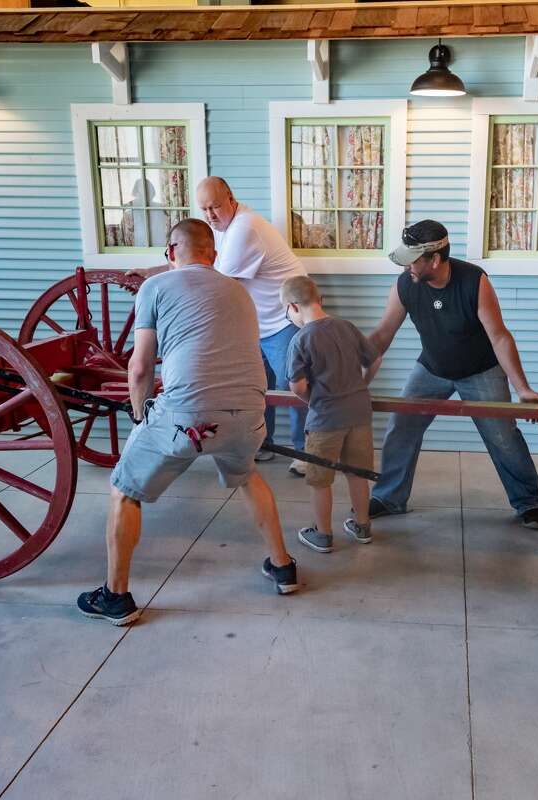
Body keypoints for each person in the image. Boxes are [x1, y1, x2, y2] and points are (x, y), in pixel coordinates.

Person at [78, 219, 299, 625]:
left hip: (187, 417)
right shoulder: (239, 291)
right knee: (247, 474)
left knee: (123, 490)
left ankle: (114, 596)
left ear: (169, 253)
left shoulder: (155, 287)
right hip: (251, 415)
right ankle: (282, 566)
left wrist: (141, 414)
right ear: (213, 256)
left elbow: (140, 367)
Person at [366, 220, 538, 529]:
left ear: (435, 260)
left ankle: (530, 501)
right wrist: (356, 381)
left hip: (481, 370)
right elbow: (383, 334)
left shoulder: (474, 282)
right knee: (401, 426)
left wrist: (523, 388)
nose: (407, 267)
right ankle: (389, 497)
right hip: (432, 368)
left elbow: (499, 337)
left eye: (413, 260)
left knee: (502, 436)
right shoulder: (405, 285)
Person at [130, 177, 309, 476]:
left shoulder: (244, 228)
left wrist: (160, 283)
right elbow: (198, 262)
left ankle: (305, 452)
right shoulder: (224, 229)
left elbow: (211, 280)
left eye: (215, 206)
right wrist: (153, 271)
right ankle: (262, 444)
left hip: (283, 319)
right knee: (257, 388)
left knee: (293, 387)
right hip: (257, 323)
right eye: (204, 209)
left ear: (230, 198)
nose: (211, 215)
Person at [280, 275, 378, 553]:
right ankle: (362, 526)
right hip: (359, 414)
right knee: (358, 473)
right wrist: (363, 385)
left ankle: (322, 534)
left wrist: (312, 400)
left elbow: (296, 385)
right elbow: (375, 358)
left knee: (320, 480)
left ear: (293, 307)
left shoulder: (300, 339)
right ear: (320, 300)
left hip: (325, 419)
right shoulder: (346, 326)